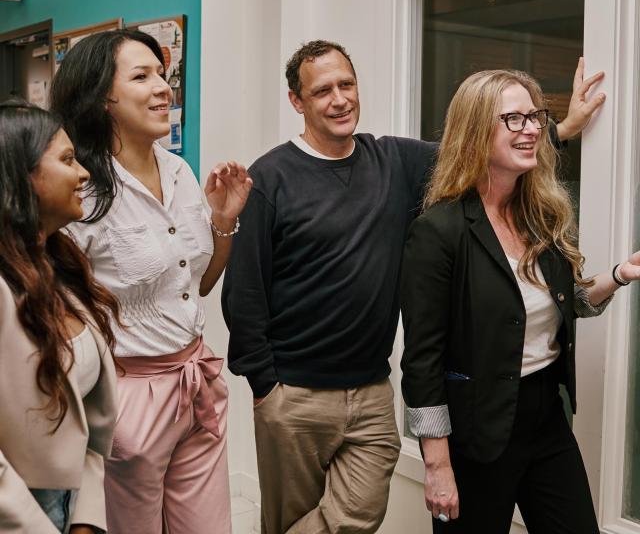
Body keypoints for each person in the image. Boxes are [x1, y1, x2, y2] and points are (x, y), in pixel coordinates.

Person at [221, 40, 604, 534]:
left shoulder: (393, 160)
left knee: (358, 513)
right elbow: (245, 291)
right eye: (322, 91)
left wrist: (559, 129)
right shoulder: (270, 177)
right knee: (290, 518)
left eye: (346, 84)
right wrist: (264, 386)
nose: (339, 99)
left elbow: (479, 143)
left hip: (371, 388)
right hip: (295, 391)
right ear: (297, 101)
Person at [400, 68, 640, 533]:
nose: (531, 129)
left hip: (546, 416)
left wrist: (618, 276)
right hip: (476, 431)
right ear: (475, 131)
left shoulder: (538, 214)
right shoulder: (439, 232)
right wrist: (437, 464)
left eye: (534, 117)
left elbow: (563, 303)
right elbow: (422, 360)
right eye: (514, 119)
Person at [50, 30, 252, 534]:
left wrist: (223, 220)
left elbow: (198, 284)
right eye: (141, 76)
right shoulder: (81, 192)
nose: (164, 87)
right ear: (102, 99)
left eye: (162, 73)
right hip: (125, 396)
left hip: (197, 383)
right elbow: (58, 312)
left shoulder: (179, 170)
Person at [0, 100, 120, 534]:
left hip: (69, 502)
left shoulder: (60, 267)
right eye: (67, 160)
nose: (84, 173)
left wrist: (86, 517)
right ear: (22, 176)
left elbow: (81, 418)